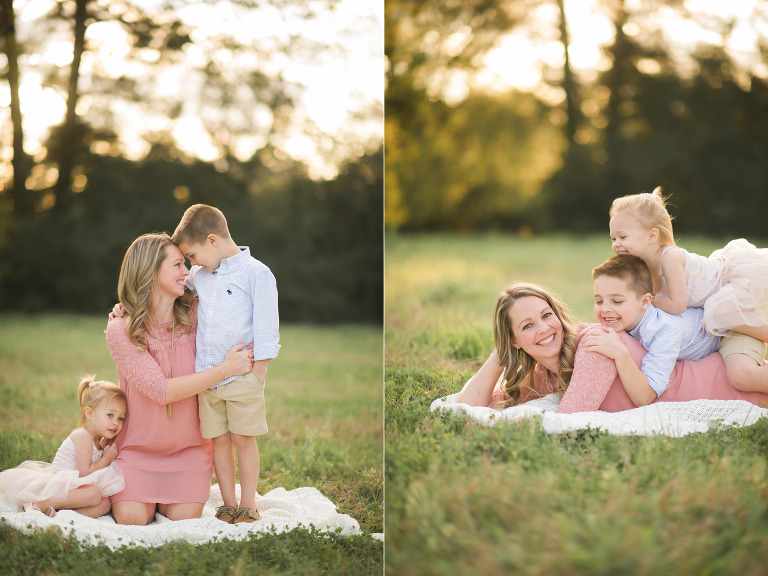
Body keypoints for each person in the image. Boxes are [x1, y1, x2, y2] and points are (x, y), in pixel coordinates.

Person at [106, 232, 253, 526]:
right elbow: (161, 391)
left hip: (190, 452)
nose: (187, 272)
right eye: (176, 265)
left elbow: (243, 312)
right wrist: (226, 369)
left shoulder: (199, 315)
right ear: (150, 271)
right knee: (132, 519)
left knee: (184, 521)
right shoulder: (120, 329)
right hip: (137, 452)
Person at [455, 282, 768, 414]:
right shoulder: (545, 374)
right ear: (514, 340)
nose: (544, 329)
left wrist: (513, 342)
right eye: (526, 326)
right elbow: (469, 406)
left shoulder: (593, 345)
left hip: (727, 385)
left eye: (546, 315)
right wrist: (500, 354)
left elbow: (567, 422)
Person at [171, 204, 280, 525]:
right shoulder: (199, 276)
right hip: (207, 376)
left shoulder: (257, 273)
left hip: (244, 376)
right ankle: (227, 503)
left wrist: (259, 372)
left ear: (212, 240)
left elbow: (266, 325)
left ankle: (248, 504)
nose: (191, 263)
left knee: (244, 439)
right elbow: (172, 288)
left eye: (192, 255)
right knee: (218, 441)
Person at [609, 187, 768, 393]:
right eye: (613, 238)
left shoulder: (670, 257)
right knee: (715, 320)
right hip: (714, 324)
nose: (616, 244)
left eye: (623, 237)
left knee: (738, 367)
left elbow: (677, 305)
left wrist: (645, 302)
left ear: (652, 236)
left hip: (730, 302)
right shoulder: (645, 266)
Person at [589, 254, 719, 405]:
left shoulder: (663, 331)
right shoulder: (629, 318)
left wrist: (620, 353)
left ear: (644, 302)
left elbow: (645, 397)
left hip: (723, 335)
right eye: (598, 301)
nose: (604, 309)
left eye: (617, 301)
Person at [0, 376, 126, 518]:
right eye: (110, 415)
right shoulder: (83, 436)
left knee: (105, 504)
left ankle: (61, 516)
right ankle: (37, 504)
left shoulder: (100, 442)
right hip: (59, 486)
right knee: (94, 494)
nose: (116, 422)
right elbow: (84, 472)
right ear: (89, 413)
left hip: (74, 488)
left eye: (120, 418)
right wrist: (106, 459)